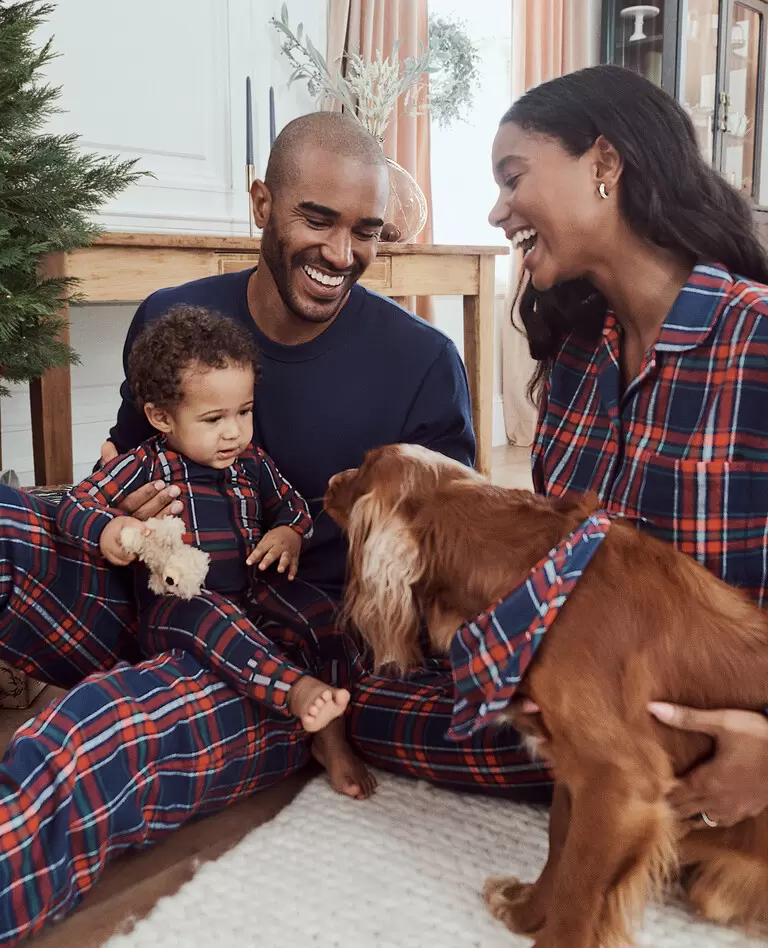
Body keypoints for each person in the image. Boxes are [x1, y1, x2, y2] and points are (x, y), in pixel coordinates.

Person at [0, 111, 549, 944]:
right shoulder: (174, 316)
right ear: (263, 202)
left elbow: (446, 569)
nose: (340, 254)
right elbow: (117, 467)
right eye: (316, 219)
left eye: (365, 232)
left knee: (92, 739)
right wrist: (115, 517)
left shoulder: (422, 362)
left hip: (280, 656)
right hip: (147, 590)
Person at [485, 63, 768, 830]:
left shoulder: (756, 339)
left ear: (605, 163)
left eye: (513, 179)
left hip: (730, 745)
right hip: (598, 729)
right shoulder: (575, 361)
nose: (496, 211)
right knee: (364, 705)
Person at [57, 306, 370, 794]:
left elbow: (294, 508)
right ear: (162, 417)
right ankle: (296, 692)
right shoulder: (144, 465)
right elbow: (75, 503)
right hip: (177, 608)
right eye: (213, 418)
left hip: (251, 594)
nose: (234, 432)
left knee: (324, 616)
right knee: (208, 616)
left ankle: (330, 737)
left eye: (243, 412)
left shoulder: (253, 464)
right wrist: (110, 529)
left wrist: (289, 534)